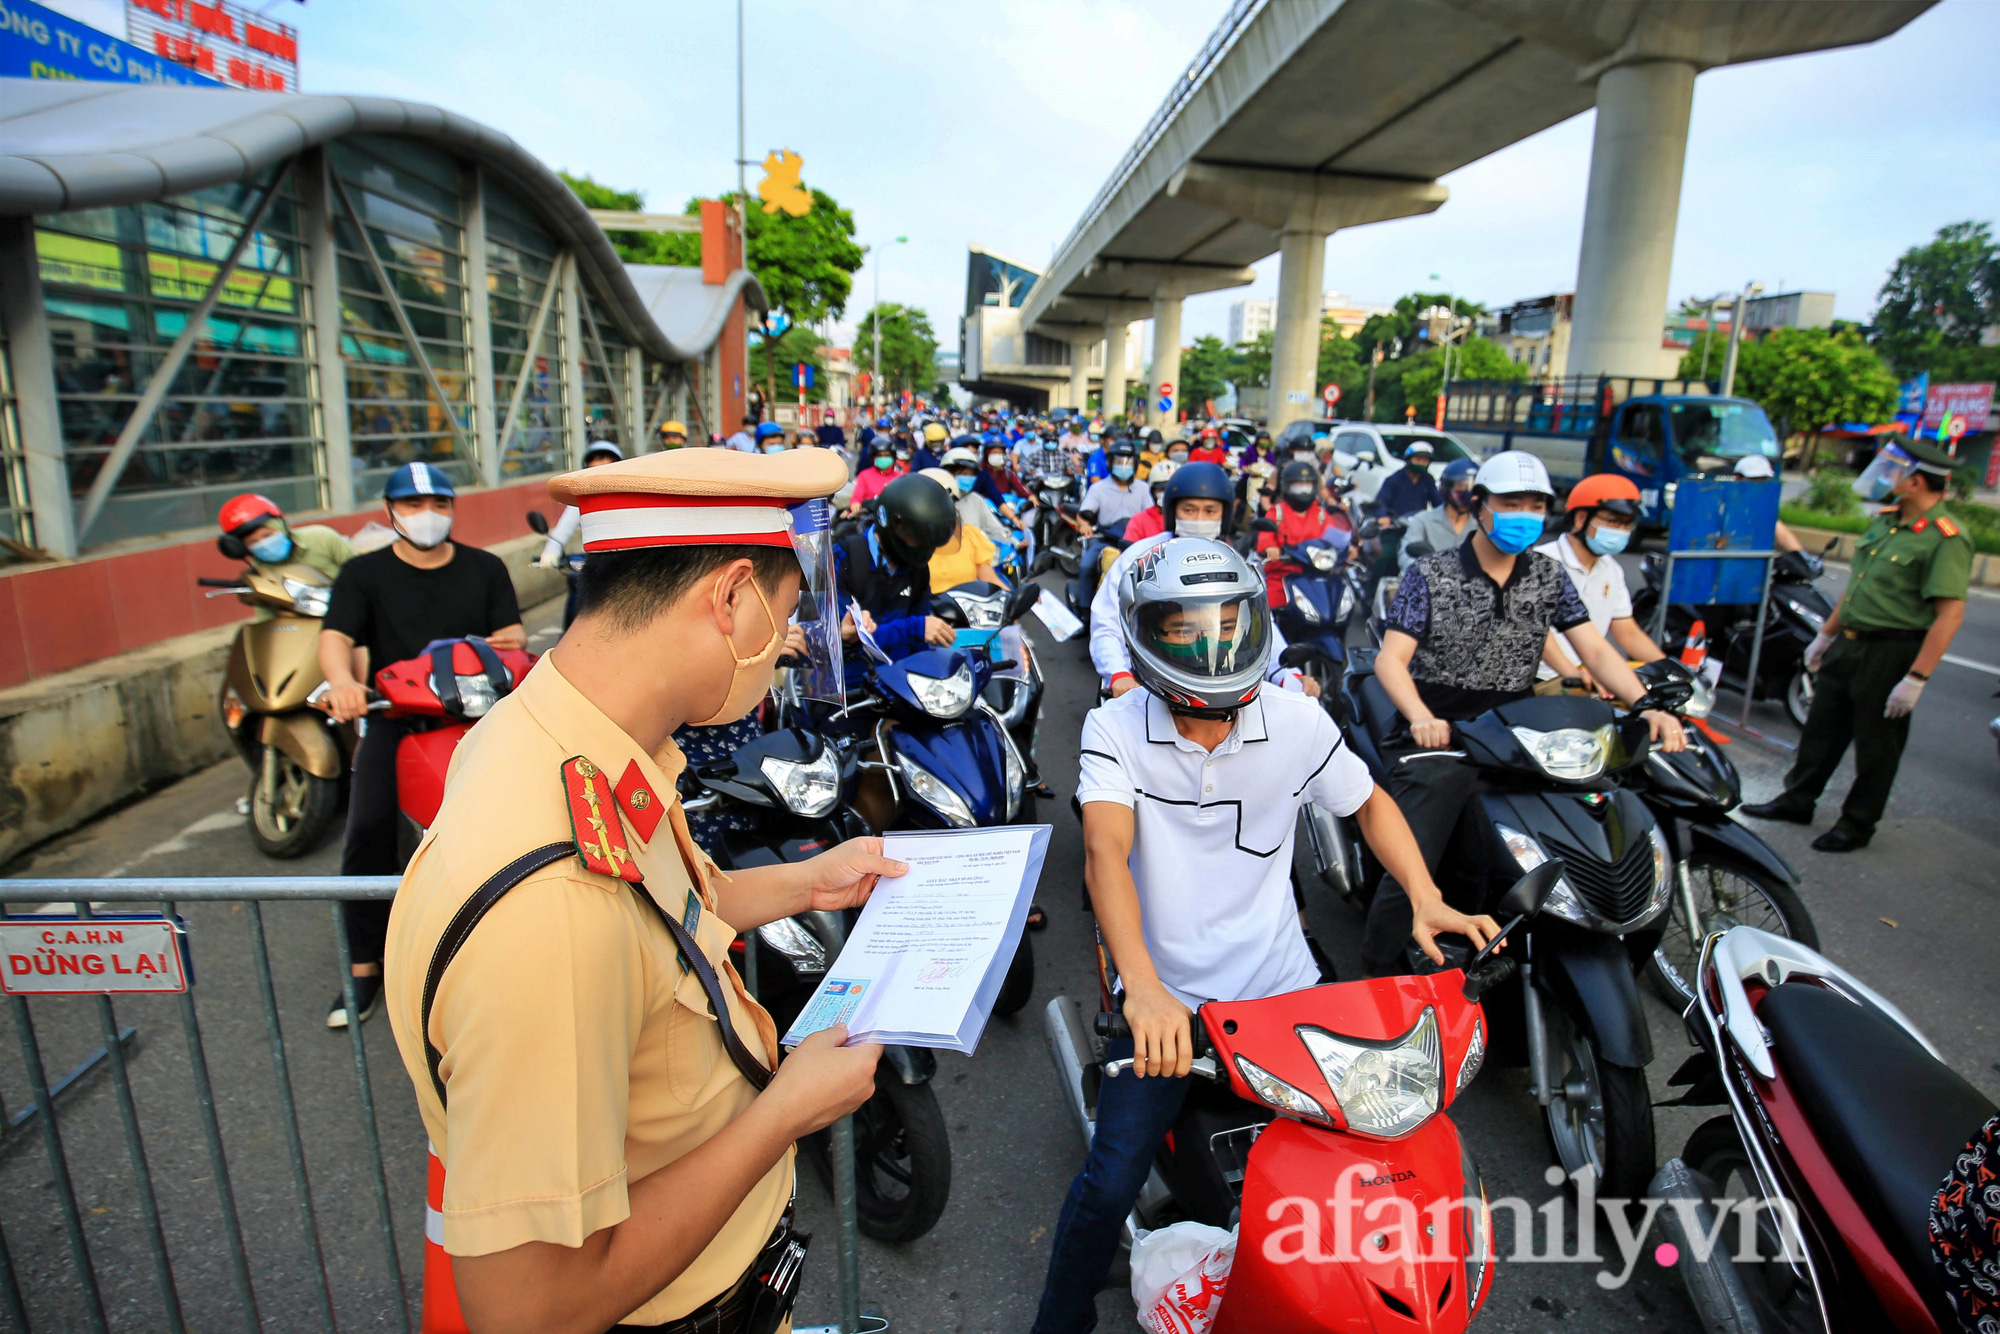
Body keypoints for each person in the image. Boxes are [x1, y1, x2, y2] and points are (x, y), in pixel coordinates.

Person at [384, 446, 894, 1334]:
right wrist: (785, 1113)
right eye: (781, 611)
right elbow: (531, 1310)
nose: (783, 646)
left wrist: (808, 881)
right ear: (730, 598)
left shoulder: (562, 733)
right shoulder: (550, 906)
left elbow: (666, 920)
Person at [1030, 537, 1498, 1334]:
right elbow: (1106, 851)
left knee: (1373, 1157)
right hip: (1166, 996)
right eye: (1185, 629)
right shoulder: (1114, 727)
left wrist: (1424, 896)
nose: (1212, 646)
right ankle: (1058, 1323)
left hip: (1282, 985)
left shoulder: (1295, 718)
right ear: (1145, 634)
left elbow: (1369, 802)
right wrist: (1140, 988)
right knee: (1110, 1183)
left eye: (1229, 623)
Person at [1362, 451, 1686, 975]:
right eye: (1511, 503)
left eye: (1535, 506)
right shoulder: (1431, 573)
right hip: (1441, 736)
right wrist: (1421, 715)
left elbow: (1596, 650)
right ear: (1479, 506)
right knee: (1413, 867)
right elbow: (1391, 660)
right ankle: (1374, 975)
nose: (1524, 515)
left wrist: (1646, 703)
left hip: (1521, 735)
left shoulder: (1548, 575)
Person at [316, 462, 527, 1028]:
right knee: (368, 830)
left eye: (438, 504)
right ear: (390, 512)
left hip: (481, 718)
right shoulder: (363, 575)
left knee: (523, 825)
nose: (427, 515)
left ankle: (516, 954)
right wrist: (341, 681)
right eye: (412, 505)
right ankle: (364, 968)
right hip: (396, 718)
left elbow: (511, 638)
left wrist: (504, 644)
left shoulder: (484, 568)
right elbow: (336, 636)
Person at [1743, 436, 1972, 852]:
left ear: (1917, 481)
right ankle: (1798, 799)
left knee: (1877, 745)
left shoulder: (1944, 538)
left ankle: (1857, 823)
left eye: (1894, 469)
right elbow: (1856, 590)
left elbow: (1949, 614)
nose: (1885, 476)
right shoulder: (1885, 521)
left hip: (1891, 650)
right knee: (1821, 729)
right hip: (1848, 643)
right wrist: (1825, 636)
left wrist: (1916, 677)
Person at [1090, 462, 1317, 700]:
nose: (1199, 519)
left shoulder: (1235, 562)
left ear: (1224, 514)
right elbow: (1106, 622)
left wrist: (1286, 674)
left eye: (1210, 511)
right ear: (1172, 511)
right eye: (1189, 510)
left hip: (1221, 684)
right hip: (1144, 682)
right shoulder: (1141, 557)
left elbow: (1260, 623)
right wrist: (1117, 673)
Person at [1534, 472, 1666, 693]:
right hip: (1542, 680)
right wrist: (1571, 673)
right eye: (1613, 522)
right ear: (1580, 519)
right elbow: (1537, 633)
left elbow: (1628, 632)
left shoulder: (1611, 570)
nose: (1621, 531)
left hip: (1587, 676)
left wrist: (1668, 667)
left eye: (1627, 525)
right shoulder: (1542, 563)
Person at [833, 472, 959, 659]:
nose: (925, 546)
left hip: (900, 679)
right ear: (894, 526)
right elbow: (841, 638)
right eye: (918, 536)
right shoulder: (846, 557)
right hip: (853, 683)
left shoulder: (917, 568)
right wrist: (913, 628)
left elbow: (919, 641)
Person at [217, 492, 355, 617]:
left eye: (268, 535)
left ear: (282, 526)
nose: (264, 543)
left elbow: (360, 573)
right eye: (253, 542)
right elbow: (267, 619)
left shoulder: (322, 538)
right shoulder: (259, 573)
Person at [1253, 460, 1350, 605]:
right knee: (1271, 604)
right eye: (1298, 487)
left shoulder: (1321, 514)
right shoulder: (1277, 512)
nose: (1303, 491)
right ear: (1287, 487)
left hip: (1315, 573)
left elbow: (1333, 539)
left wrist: (1347, 550)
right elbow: (1265, 536)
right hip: (1283, 574)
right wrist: (1270, 547)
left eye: (1307, 486)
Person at [1073, 440, 1149, 605]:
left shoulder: (1143, 488)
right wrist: (1084, 525)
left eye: (1128, 462)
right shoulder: (1098, 488)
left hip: (1136, 542)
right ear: (1109, 463)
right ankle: (1085, 608)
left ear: (1135, 464)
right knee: (1086, 566)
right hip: (1106, 540)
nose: (1123, 466)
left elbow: (1151, 514)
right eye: (1119, 462)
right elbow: (1083, 513)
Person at [534, 441, 626, 569]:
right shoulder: (583, 500)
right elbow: (565, 526)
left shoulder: (631, 497)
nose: (601, 479)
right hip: (596, 567)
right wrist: (551, 551)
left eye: (607, 471)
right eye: (594, 472)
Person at [915, 468, 1001, 590]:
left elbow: (991, 581)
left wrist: (1014, 599)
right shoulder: (907, 544)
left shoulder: (969, 537)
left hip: (966, 607)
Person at [1398, 458, 1476, 571]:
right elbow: (1406, 557)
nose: (1469, 491)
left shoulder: (1483, 526)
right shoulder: (1423, 521)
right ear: (1447, 487)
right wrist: (1428, 573)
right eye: (1463, 485)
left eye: (1475, 487)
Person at [1732, 453, 1802, 552]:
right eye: (1754, 480)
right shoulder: (1721, 502)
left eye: (1763, 480)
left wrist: (1804, 558)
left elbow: (1780, 533)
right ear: (1738, 478)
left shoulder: (1761, 508)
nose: (1759, 485)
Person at [1120, 458, 1177, 543]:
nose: (1166, 493)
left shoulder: (1190, 519)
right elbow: (1129, 552)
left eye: (1172, 489)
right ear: (1153, 492)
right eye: (1161, 489)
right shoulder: (1140, 520)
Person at [846, 439, 905, 513]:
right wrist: (855, 503)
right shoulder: (864, 475)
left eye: (887, 455)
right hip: (871, 516)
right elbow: (857, 497)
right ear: (873, 458)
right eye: (879, 456)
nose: (883, 458)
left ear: (893, 457)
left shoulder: (900, 477)